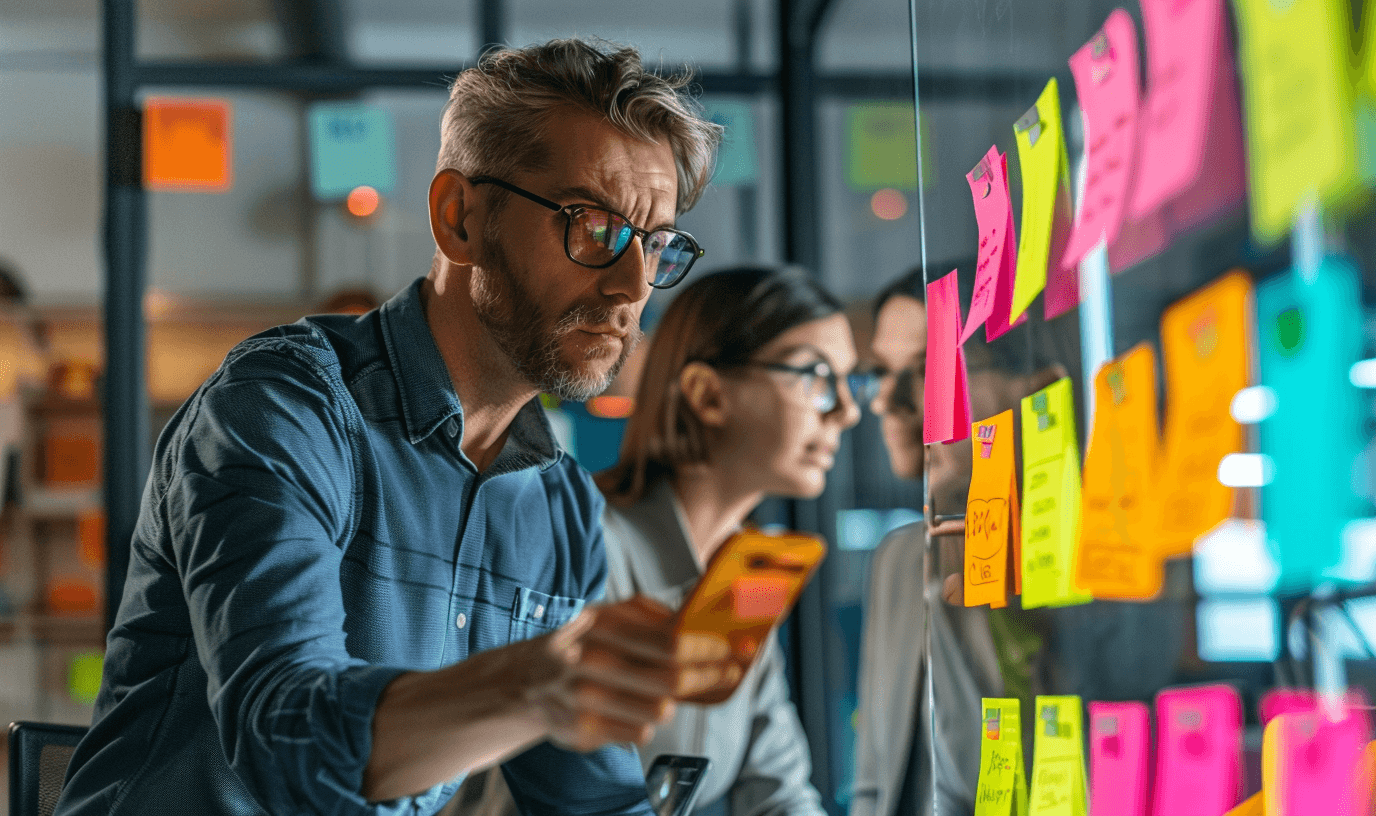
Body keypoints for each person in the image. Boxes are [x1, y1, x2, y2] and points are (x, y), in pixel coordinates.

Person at [57, 39, 740, 816]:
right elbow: (291, 742)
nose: (631, 285)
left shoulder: (559, 511)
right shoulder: (283, 410)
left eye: (655, 244)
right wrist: (537, 682)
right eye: (594, 226)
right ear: (460, 219)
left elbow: (592, 801)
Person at [454, 266, 856, 816]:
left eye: (849, 381)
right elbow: (568, 795)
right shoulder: (578, 544)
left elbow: (776, 788)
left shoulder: (749, 573)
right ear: (706, 394)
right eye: (816, 376)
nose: (846, 411)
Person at [850, 267, 1065, 816]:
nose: (888, 401)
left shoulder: (1074, 552)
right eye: (881, 372)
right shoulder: (900, 559)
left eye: (931, 370)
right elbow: (874, 783)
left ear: (1035, 385)